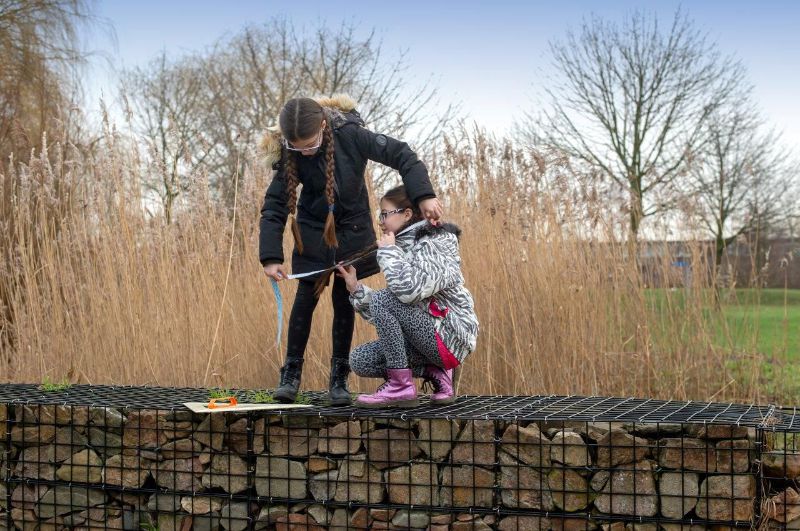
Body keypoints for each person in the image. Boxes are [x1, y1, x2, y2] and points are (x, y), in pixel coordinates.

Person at [259, 95, 443, 405]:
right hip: (313, 233)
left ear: (322, 125)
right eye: (297, 147)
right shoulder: (292, 153)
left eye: (310, 144)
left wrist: (423, 195)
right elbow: (275, 205)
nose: (304, 151)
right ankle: (290, 375)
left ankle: (339, 379)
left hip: (353, 231)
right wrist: (271, 256)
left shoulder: (351, 133)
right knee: (305, 298)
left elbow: (403, 155)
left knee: (345, 299)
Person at [336, 185, 478, 408]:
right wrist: (355, 289)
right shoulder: (403, 248)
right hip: (427, 337)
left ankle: (401, 386)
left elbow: (408, 292)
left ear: (407, 214)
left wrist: (389, 252)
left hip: (451, 336)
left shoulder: (436, 243)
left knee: (385, 298)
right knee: (360, 360)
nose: (380, 221)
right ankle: (436, 372)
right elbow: (391, 317)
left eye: (384, 214)